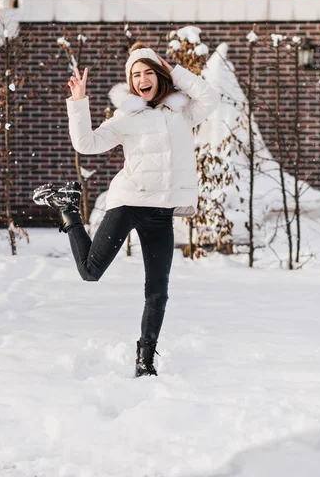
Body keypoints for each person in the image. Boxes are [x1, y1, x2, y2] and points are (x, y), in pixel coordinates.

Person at [33, 42, 220, 377]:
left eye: (148, 71)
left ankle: (145, 360)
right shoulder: (126, 117)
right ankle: (69, 210)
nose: (142, 79)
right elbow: (86, 144)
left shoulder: (182, 111)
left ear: (160, 75)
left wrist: (176, 68)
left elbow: (210, 97)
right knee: (90, 272)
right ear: (131, 83)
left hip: (161, 212)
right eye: (136, 75)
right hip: (129, 203)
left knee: (158, 292)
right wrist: (79, 102)